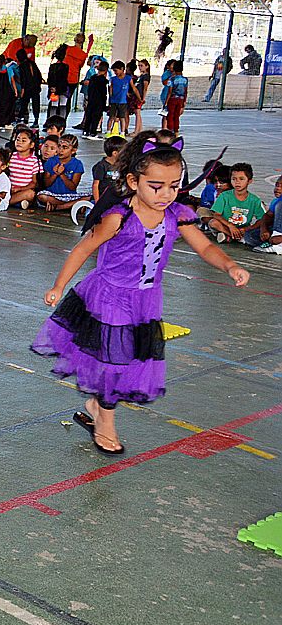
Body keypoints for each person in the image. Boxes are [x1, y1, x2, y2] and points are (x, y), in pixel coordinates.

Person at [33, 133, 249, 455]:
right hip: (109, 297)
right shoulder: (119, 217)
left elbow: (204, 246)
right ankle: (105, 420)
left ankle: (97, 405)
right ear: (134, 181)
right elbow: (84, 248)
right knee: (114, 361)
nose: (166, 194)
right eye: (156, 186)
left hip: (146, 300)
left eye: (175, 185)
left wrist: (230, 266)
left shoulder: (178, 215)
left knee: (130, 359)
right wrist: (59, 285)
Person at [206, 163, 266, 244]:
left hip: (243, 229)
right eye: (234, 179)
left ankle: (228, 236)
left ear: (249, 181)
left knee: (259, 231)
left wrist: (248, 228)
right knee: (213, 223)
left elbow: (262, 219)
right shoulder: (224, 196)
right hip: (226, 226)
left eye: (241, 179)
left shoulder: (254, 200)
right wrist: (230, 226)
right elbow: (216, 215)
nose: (237, 182)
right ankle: (235, 236)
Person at [37, 134, 86, 211]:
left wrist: (62, 174)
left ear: (73, 150)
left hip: (69, 196)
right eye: (59, 146)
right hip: (52, 195)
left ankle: (58, 207)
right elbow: (46, 184)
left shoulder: (77, 164)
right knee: (41, 196)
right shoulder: (51, 161)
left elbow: (72, 187)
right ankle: (72, 205)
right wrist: (55, 174)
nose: (60, 150)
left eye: (65, 147)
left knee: (89, 197)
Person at [6, 126, 42, 208]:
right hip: (9, 189)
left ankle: (4, 203)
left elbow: (34, 183)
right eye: (17, 140)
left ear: (32, 145)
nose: (19, 142)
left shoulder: (34, 161)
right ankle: (16, 203)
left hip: (23, 191)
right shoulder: (10, 157)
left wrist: (19, 189)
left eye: (23, 141)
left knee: (30, 194)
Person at [63, 32, 92, 113]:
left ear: (74, 39)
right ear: (83, 42)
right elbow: (80, 66)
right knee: (68, 99)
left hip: (64, 77)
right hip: (73, 79)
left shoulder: (68, 49)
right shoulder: (83, 55)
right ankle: (64, 119)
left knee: (59, 99)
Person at [16, 47, 43, 126]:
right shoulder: (32, 63)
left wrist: (23, 89)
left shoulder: (22, 66)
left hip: (27, 87)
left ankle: (20, 118)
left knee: (24, 103)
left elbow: (23, 78)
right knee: (36, 103)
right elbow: (39, 75)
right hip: (36, 87)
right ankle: (36, 120)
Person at [45, 46, 70, 122]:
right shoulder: (66, 67)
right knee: (63, 105)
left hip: (53, 89)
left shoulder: (52, 66)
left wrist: (52, 87)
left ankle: (51, 122)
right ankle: (62, 122)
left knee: (53, 105)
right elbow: (63, 79)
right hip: (63, 89)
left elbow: (49, 78)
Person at [161, 59, 187, 132]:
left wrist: (166, 102)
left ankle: (170, 129)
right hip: (180, 99)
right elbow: (185, 91)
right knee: (176, 116)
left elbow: (170, 91)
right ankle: (176, 130)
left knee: (170, 115)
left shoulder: (173, 79)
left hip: (172, 99)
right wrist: (184, 102)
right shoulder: (185, 79)